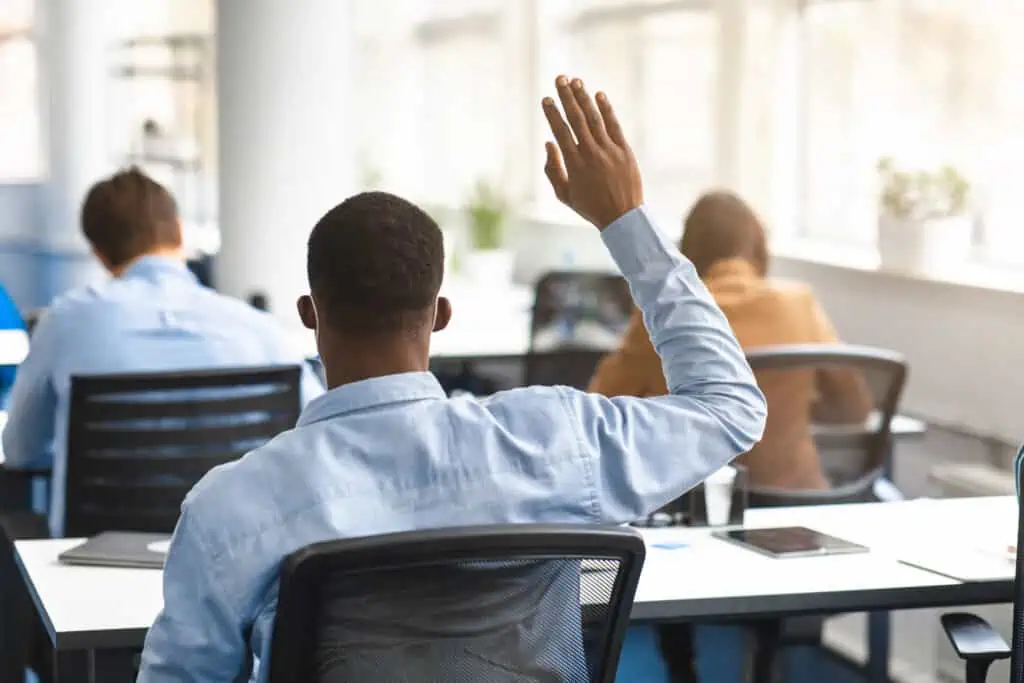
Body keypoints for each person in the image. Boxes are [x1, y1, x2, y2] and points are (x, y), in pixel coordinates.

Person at [136, 76, 767, 683]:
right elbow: (730, 406)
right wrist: (624, 220)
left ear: (310, 314)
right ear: (440, 315)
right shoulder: (552, 441)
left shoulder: (232, 507)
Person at [588, 190, 871, 683]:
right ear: (758, 247)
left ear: (687, 250)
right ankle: (770, 655)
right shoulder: (797, 303)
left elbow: (599, 406)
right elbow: (855, 408)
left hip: (694, 519)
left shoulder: (665, 315)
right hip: (799, 511)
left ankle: (682, 665)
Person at [2, 167, 324, 538]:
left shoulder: (65, 324)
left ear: (100, 254)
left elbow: (21, 450)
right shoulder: (263, 334)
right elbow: (317, 434)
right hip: (235, 559)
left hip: (99, 561)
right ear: (180, 233)